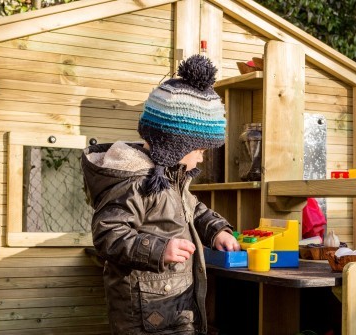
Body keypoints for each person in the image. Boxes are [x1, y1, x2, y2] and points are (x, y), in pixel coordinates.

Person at [81, 55, 240, 335]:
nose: (201, 159)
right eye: (200, 150)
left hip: (172, 304)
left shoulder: (169, 177)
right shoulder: (136, 180)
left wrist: (216, 231)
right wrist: (159, 249)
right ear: (176, 145)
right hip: (145, 315)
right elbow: (108, 233)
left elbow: (192, 208)